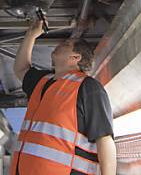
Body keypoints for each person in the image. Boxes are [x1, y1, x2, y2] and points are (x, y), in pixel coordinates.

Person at [9, 18, 116, 175]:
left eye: (66, 44)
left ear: (76, 57)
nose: (59, 44)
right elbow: (21, 69)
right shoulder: (42, 81)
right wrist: (31, 36)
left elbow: (105, 139)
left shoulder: (88, 87)